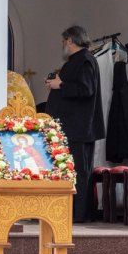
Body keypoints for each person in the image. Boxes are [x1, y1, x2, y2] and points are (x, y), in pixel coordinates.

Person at [44, 25, 104, 224]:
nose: (63, 46)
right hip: (72, 128)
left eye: (64, 42)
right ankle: (72, 211)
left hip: (79, 128)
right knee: (71, 170)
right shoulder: (77, 61)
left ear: (70, 40)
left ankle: (78, 214)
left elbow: (85, 89)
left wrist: (60, 85)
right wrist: (57, 83)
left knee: (78, 171)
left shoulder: (85, 60)